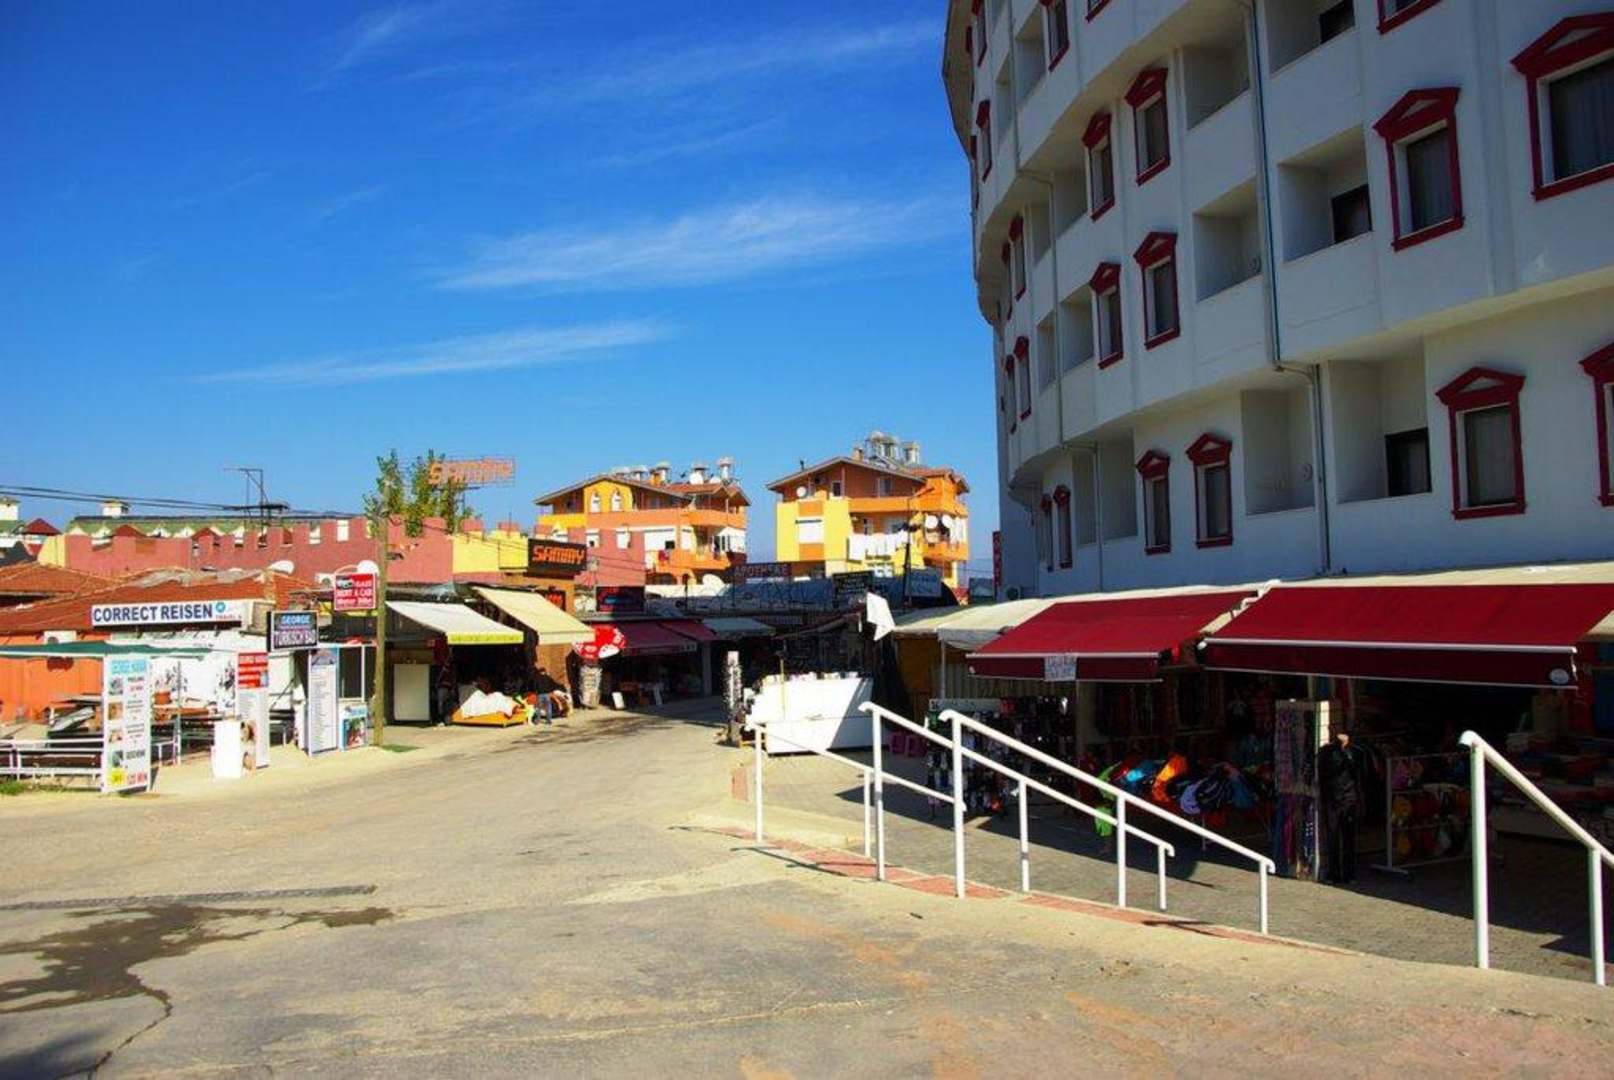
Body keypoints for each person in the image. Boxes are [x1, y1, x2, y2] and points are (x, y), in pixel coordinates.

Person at [1317, 725, 1367, 884]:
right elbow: (1321, 775)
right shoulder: (1326, 752)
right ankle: (1334, 873)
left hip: (1349, 799)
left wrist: (1360, 798)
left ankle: (1349, 873)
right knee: (1332, 837)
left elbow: (1360, 775)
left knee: (1348, 838)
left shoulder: (1356, 752)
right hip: (1332, 799)